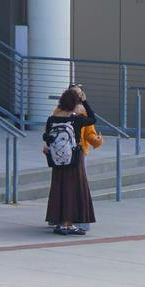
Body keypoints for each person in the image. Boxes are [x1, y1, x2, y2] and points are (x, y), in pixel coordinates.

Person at [42, 85, 98, 236]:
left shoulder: (52, 118)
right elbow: (93, 119)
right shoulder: (76, 119)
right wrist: (85, 102)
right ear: (75, 103)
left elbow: (47, 137)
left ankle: (61, 223)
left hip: (57, 159)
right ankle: (70, 223)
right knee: (74, 189)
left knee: (59, 189)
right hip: (74, 158)